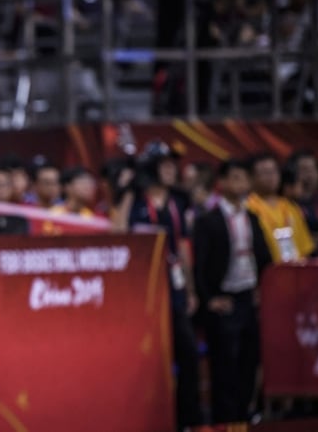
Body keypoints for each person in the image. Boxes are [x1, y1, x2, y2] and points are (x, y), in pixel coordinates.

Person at [126, 141, 202, 430]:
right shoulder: (135, 199)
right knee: (148, 357)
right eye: (165, 164)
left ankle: (189, 420)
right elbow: (119, 230)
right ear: (151, 167)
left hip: (175, 286)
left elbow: (182, 246)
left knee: (188, 353)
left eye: (174, 164)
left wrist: (191, 288)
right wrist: (125, 191)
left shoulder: (178, 201)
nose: (172, 170)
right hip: (142, 290)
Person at [193, 159, 272, 424]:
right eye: (235, 178)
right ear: (223, 182)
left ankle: (244, 417)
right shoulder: (208, 220)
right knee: (224, 367)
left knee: (250, 361)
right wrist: (209, 299)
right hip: (224, 299)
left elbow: (263, 256)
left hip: (249, 297)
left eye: (244, 178)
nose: (241, 183)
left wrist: (263, 288)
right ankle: (224, 422)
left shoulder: (252, 217)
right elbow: (199, 265)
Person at [246, 153, 315, 263]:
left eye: (274, 171)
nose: (271, 177)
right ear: (251, 177)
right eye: (265, 173)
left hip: (295, 270)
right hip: (266, 272)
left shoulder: (291, 207)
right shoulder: (248, 207)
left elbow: (305, 248)